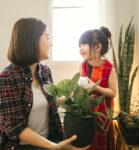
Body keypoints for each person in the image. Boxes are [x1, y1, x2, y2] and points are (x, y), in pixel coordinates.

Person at [0, 17, 90, 150]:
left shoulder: (45, 71)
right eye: (47, 37)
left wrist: (73, 93)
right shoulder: (7, 77)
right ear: (32, 41)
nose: (51, 43)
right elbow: (15, 127)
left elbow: (50, 103)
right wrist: (54, 146)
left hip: (49, 141)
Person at [79, 27, 117, 150]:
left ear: (98, 47)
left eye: (85, 44)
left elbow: (113, 93)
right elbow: (80, 87)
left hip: (103, 116)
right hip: (87, 114)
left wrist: (95, 87)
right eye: (80, 44)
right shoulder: (83, 66)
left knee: (102, 144)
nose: (81, 48)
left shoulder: (109, 67)